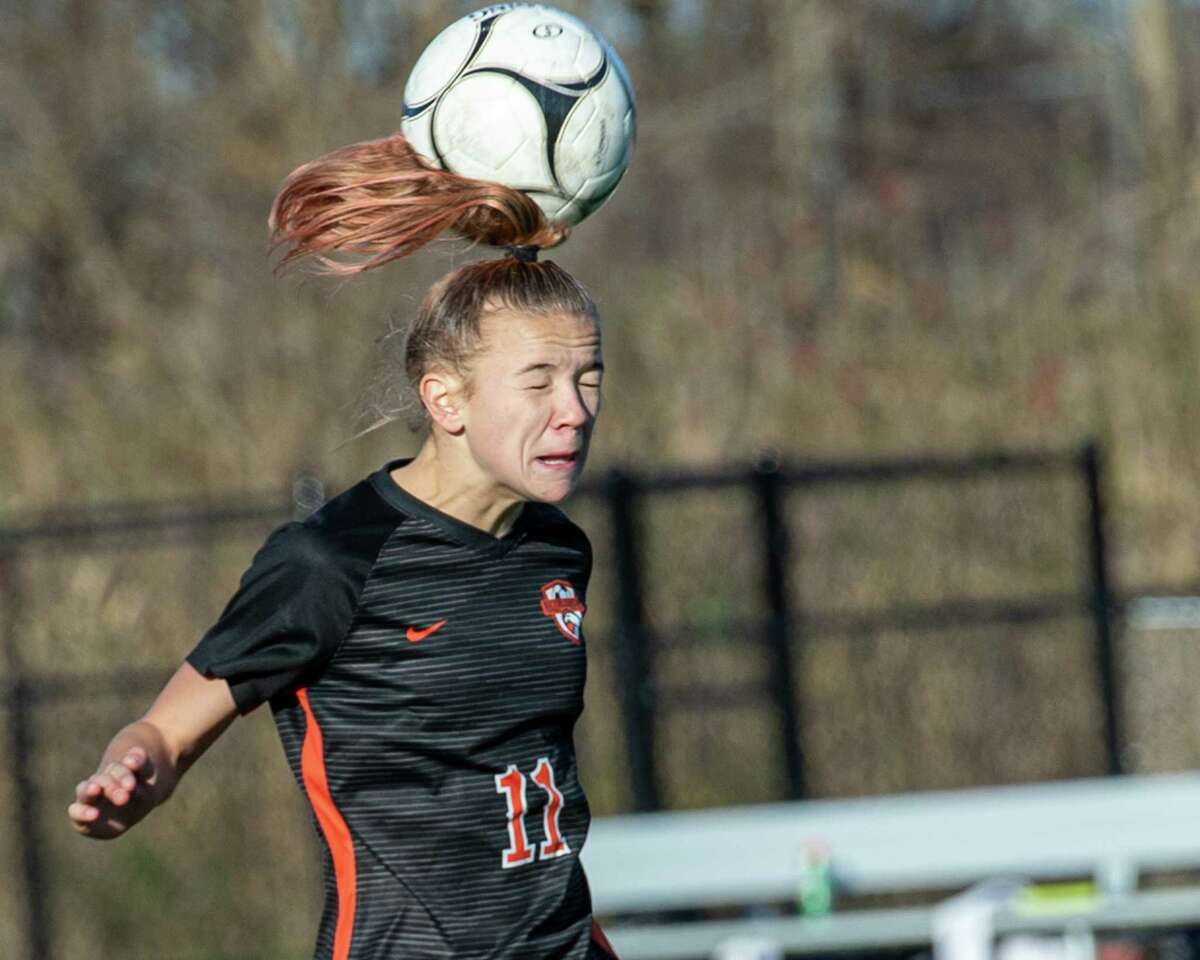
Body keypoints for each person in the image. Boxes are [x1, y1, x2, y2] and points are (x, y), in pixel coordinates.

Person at [67, 132, 620, 960]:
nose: (573, 409)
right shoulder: (332, 561)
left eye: (588, 377)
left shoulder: (556, 552)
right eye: (538, 381)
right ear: (446, 400)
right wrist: (131, 772)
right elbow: (166, 735)